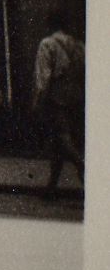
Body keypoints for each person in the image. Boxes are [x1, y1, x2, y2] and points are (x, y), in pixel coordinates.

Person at [33, 11, 85, 196]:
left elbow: (44, 78)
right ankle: (51, 187)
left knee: (62, 138)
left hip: (55, 100)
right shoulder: (78, 45)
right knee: (58, 143)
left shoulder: (47, 45)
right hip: (77, 99)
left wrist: (39, 103)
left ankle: (82, 165)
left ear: (49, 26)